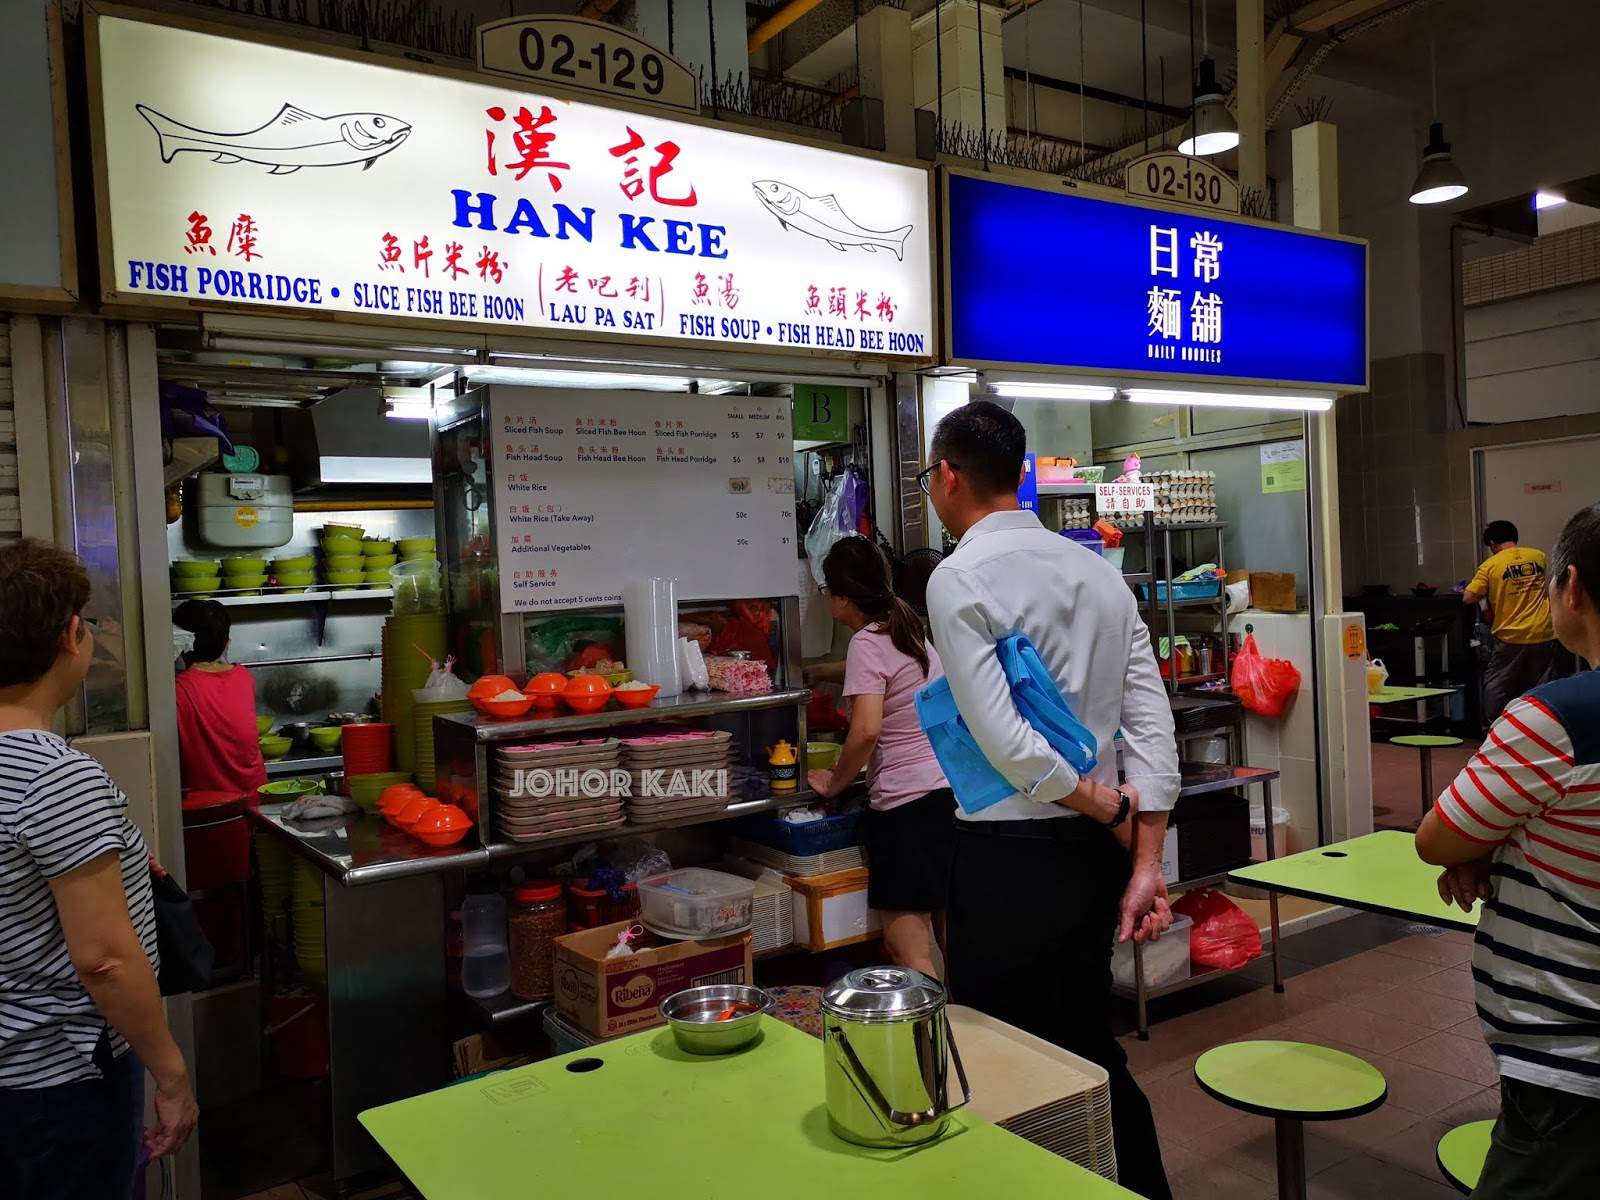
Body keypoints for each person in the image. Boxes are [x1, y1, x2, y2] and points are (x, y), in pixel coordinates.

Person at [921, 401, 1180, 1200]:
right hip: (1087, 867)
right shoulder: (1099, 572)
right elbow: (1153, 731)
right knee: (1085, 1042)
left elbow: (1008, 746)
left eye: (930, 475)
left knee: (1008, 1057)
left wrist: (1105, 810)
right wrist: (1145, 863)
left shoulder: (958, 576)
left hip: (1007, 863)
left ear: (950, 476)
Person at [0, 538, 198, 1199]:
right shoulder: (55, 779)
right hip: (62, 1081)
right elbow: (105, 959)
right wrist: (171, 1077)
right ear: (70, 636)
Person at [1417, 502, 1600, 1199]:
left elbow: (1437, 837)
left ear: (1573, 587)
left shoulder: (1560, 719)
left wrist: (1486, 841)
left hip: (1571, 1053)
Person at [804, 537, 953, 978]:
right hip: (946, 798)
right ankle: (970, 1042)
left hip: (906, 810)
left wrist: (834, 782)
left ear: (842, 598)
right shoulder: (905, 629)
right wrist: (816, 672)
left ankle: (929, 1048)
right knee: (952, 942)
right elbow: (886, 676)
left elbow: (866, 730)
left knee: (909, 951)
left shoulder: (865, 644)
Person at [1465, 519, 1570, 724]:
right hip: (1543, 632)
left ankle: (1493, 728)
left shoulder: (1490, 565)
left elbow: (1468, 598)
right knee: (1540, 685)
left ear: (1493, 543)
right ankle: (1539, 728)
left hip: (1511, 635)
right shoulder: (1538, 557)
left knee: (1498, 685)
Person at [173, 598, 267, 796]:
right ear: (226, 642)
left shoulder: (177, 690)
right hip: (253, 802)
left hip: (209, 810)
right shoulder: (243, 676)